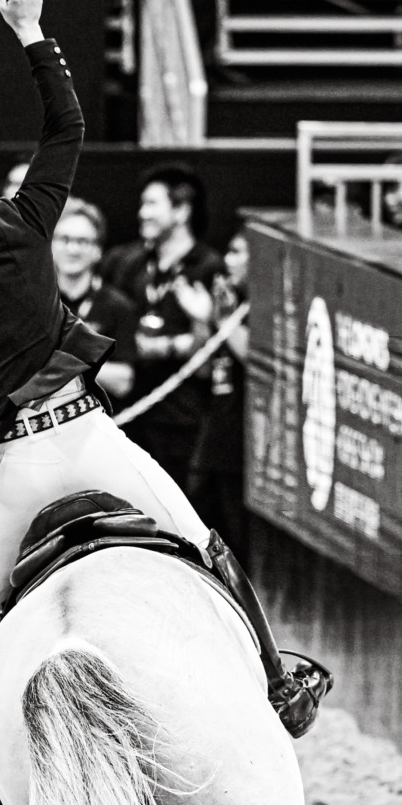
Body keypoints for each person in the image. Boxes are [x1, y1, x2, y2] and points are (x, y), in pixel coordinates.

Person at [0, 0, 330, 805]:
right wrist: (32, 32)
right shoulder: (27, 219)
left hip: (11, 475)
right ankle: (277, 681)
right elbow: (67, 125)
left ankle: (8, 780)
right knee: (200, 543)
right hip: (93, 441)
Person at [102, 164, 219, 490]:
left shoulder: (209, 268)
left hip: (180, 419)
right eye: (142, 204)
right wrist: (175, 344)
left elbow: (209, 361)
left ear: (181, 211)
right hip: (126, 414)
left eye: (152, 204)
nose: (143, 213)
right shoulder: (125, 263)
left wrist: (173, 341)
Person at [190, 228, 249, 565]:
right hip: (215, 433)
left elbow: (254, 357)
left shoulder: (257, 309)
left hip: (245, 443)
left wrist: (224, 319)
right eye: (229, 251)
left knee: (239, 538)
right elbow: (201, 369)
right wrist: (202, 321)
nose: (229, 261)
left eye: (239, 252)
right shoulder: (227, 304)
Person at [52, 197, 137, 406]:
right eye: (64, 239)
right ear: (50, 245)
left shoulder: (118, 306)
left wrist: (60, 363)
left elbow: (123, 381)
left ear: (97, 250)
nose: (72, 249)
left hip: (98, 416)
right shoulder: (35, 303)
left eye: (82, 241)